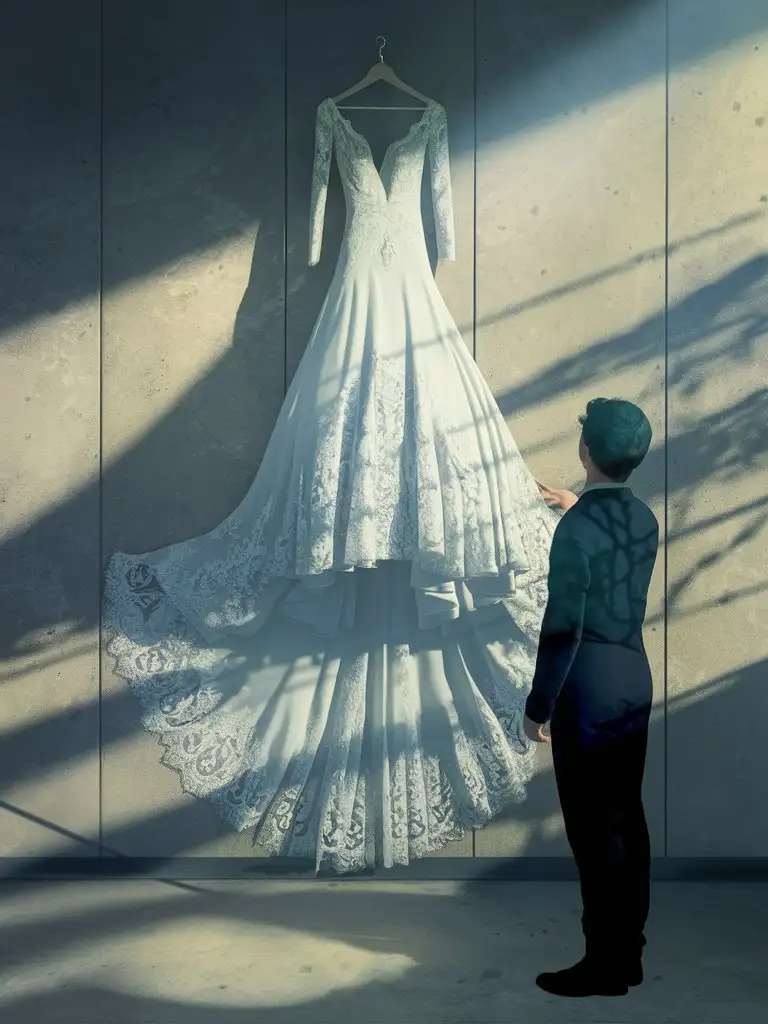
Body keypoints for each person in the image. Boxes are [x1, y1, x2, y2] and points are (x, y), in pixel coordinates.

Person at [523, 397, 659, 998]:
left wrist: (537, 705)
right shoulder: (643, 518)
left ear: (585, 450)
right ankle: (627, 950)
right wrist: (578, 507)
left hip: (589, 686)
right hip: (633, 677)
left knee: (592, 831)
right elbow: (610, 551)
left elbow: (563, 627)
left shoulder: (575, 531)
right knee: (626, 819)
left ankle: (604, 965)